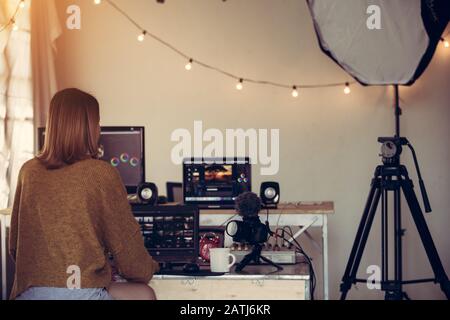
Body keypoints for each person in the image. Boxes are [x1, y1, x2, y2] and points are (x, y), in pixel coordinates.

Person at [9, 88, 159, 300]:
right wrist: (149, 267)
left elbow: (15, 246)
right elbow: (131, 259)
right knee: (145, 293)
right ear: (88, 127)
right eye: (96, 122)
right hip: (78, 291)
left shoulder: (28, 171)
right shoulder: (100, 173)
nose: (99, 128)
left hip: (28, 293)